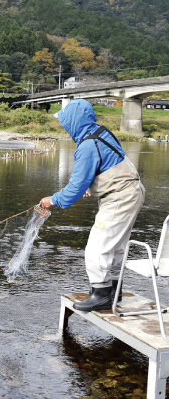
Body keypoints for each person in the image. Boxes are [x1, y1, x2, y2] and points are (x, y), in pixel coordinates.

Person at [39, 99, 145, 312]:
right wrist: (92, 184)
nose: (64, 127)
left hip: (119, 196)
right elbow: (108, 162)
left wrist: (52, 200)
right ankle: (115, 290)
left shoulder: (87, 145)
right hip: (132, 191)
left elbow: (75, 188)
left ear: (74, 122)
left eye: (66, 122)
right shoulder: (100, 131)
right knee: (116, 246)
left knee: (97, 246)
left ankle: (101, 294)